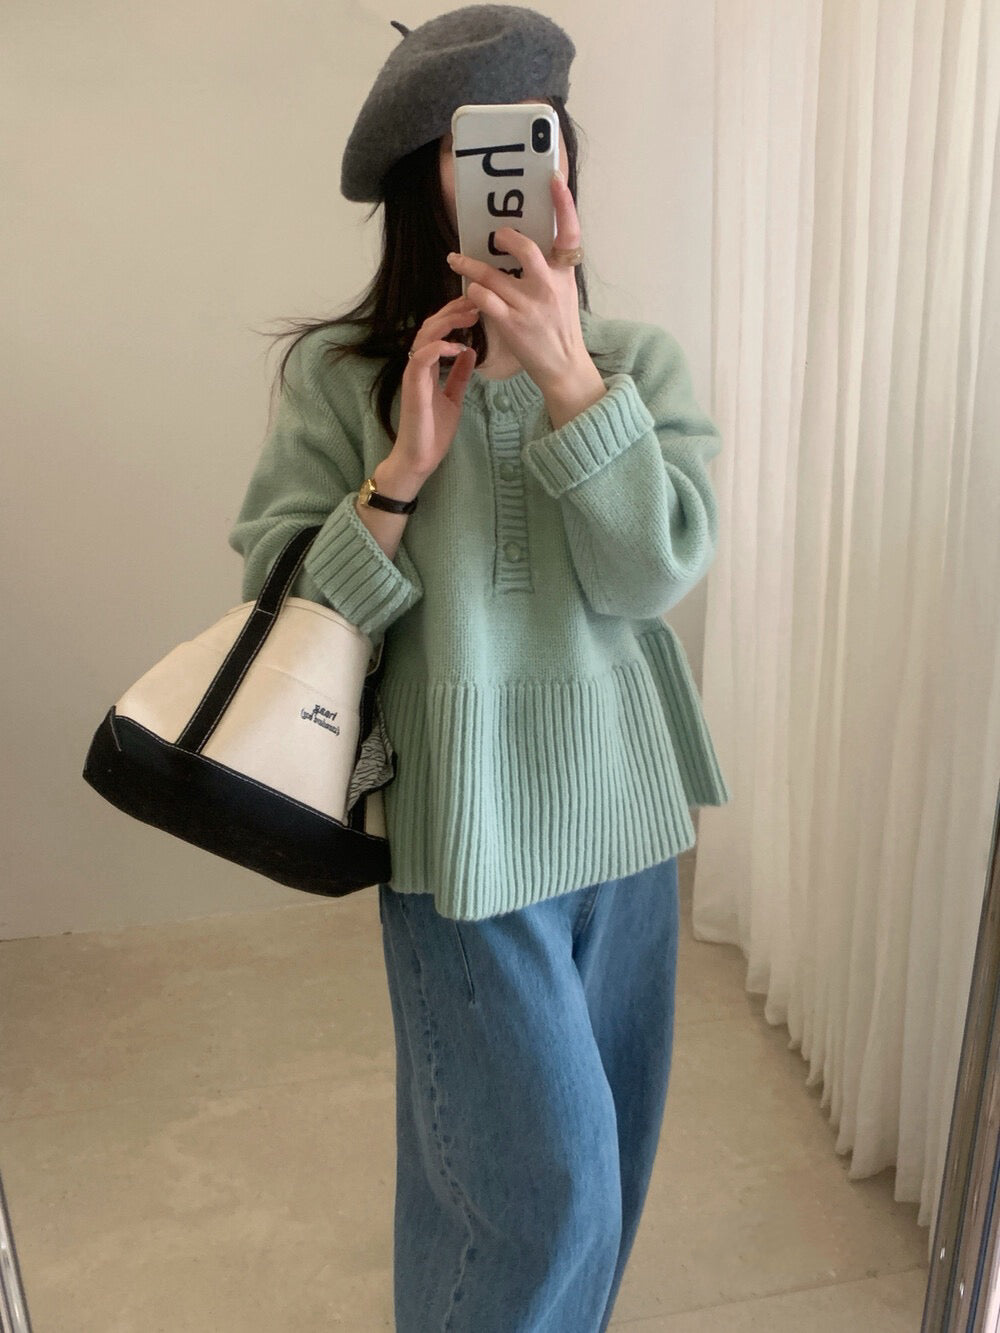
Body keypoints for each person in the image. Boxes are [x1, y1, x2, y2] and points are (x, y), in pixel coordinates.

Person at [229, 6, 730, 1328]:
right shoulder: (345, 380)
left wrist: (572, 387)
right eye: (488, 152)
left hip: (626, 819)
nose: (524, 178)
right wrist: (401, 472)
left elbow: (653, 574)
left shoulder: (636, 367)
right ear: (427, 188)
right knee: (535, 1194)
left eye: (541, 143)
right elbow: (287, 610)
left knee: (604, 1178)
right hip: (465, 832)